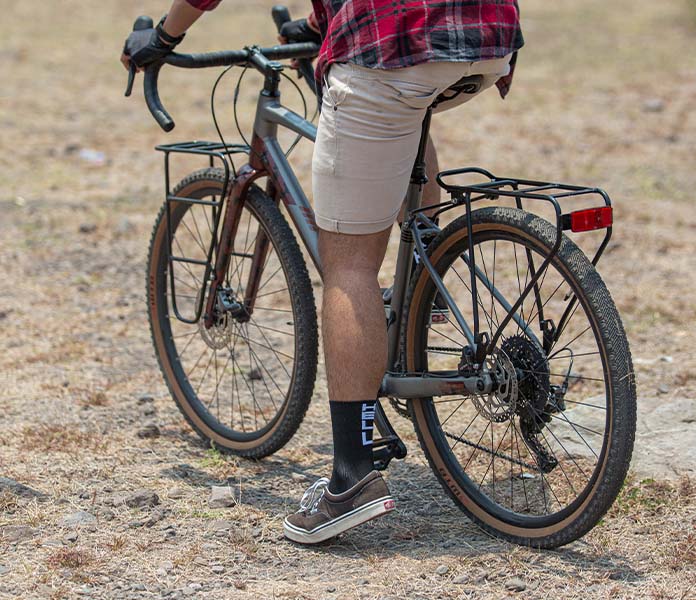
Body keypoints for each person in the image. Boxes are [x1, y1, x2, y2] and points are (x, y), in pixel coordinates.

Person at [122, 0, 523, 545]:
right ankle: (419, 292)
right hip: (488, 38)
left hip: (393, 42)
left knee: (350, 265)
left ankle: (352, 476)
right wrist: (316, 25)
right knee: (406, 111)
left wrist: (164, 38)